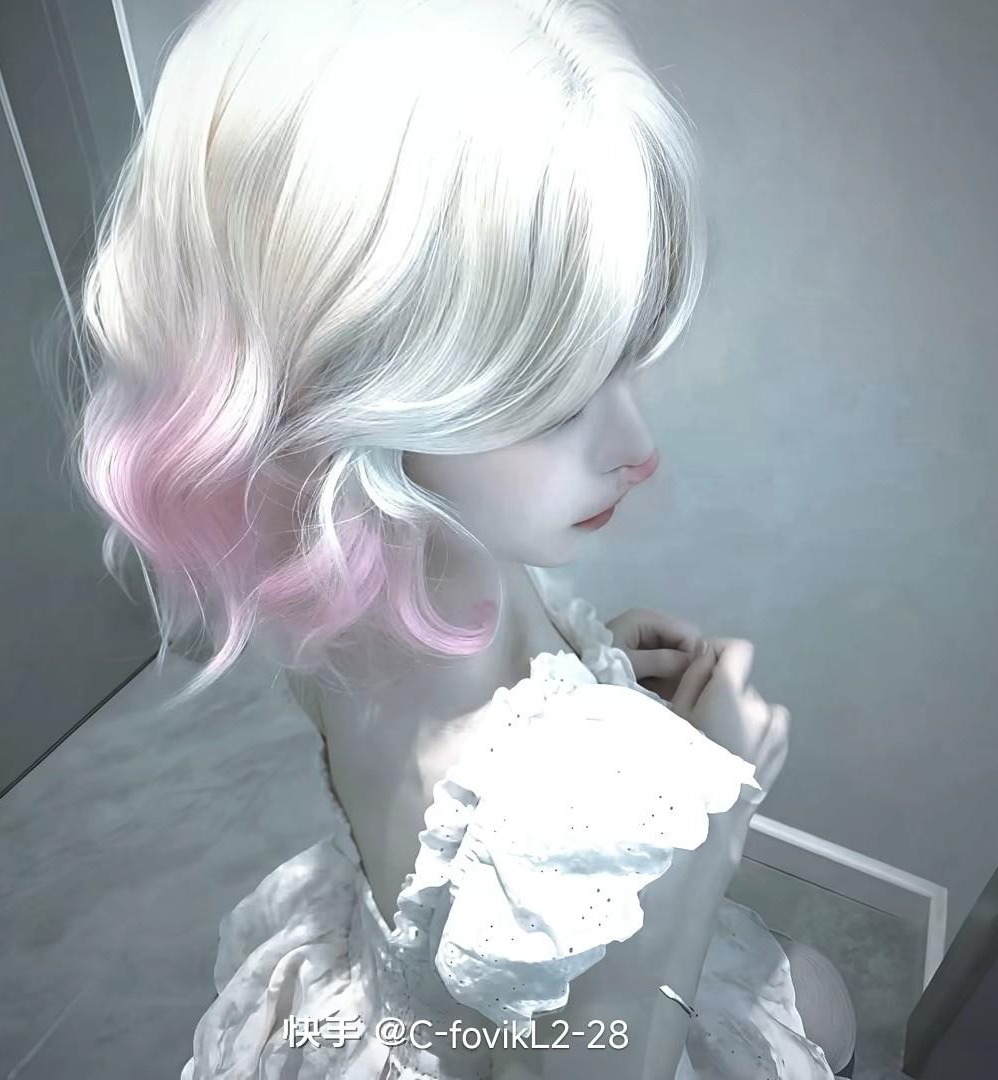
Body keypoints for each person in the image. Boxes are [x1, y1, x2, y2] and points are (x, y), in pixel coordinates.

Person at [42, 0, 858, 1075]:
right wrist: (710, 807)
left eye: (624, 363)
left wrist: (589, 675)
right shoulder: (593, 800)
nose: (638, 448)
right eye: (557, 398)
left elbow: (453, 801)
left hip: (395, 1001)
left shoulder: (343, 585)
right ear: (359, 389)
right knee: (821, 1003)